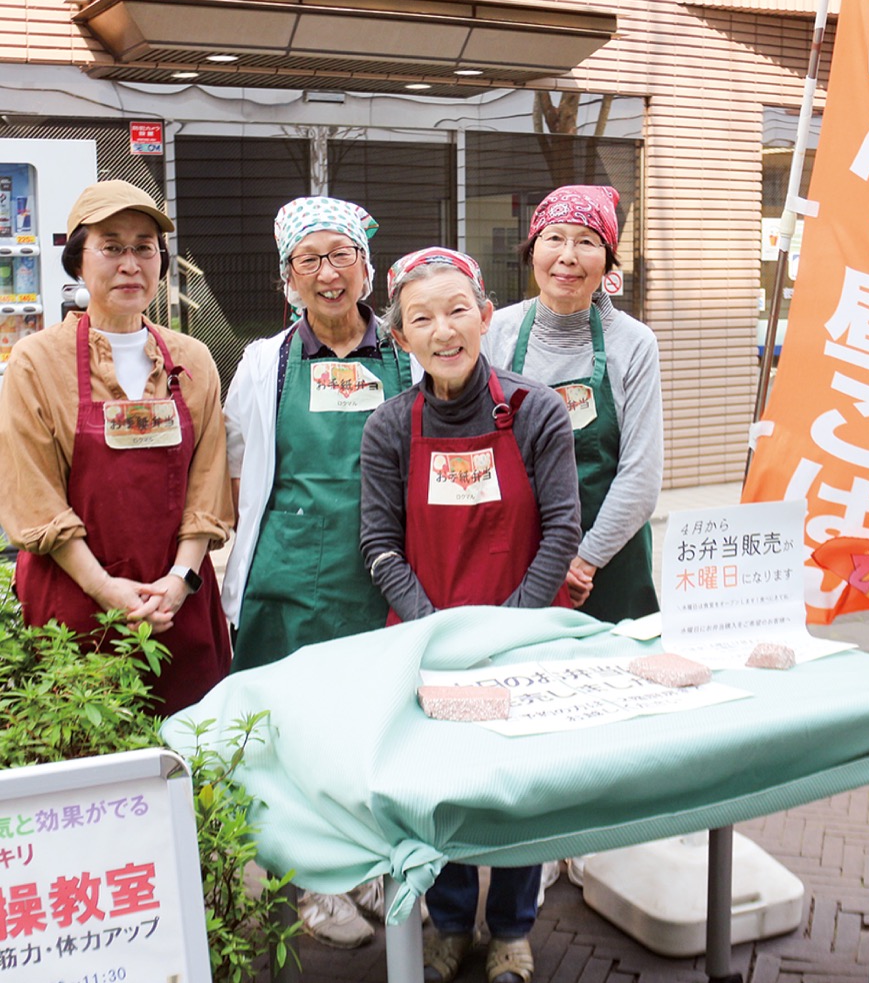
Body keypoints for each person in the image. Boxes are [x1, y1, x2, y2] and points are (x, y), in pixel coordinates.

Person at [360, 247, 580, 983]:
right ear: (401, 338)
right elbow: (379, 544)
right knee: (442, 791)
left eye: (457, 309)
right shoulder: (390, 428)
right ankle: (451, 921)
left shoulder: (537, 410)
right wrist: (439, 634)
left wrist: (505, 629)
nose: (443, 329)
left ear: (486, 317)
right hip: (426, 645)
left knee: (521, 790)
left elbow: (562, 531)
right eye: (421, 317)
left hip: (522, 640)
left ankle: (513, 929)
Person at [220, 195, 412, 948]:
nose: (328, 274)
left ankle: (368, 865)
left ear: (368, 268)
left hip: (382, 570)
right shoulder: (265, 362)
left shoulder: (403, 355)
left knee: (370, 728)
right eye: (310, 260)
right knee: (293, 734)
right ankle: (313, 884)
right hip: (290, 571)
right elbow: (238, 463)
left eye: (342, 256)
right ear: (288, 280)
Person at [0, 180, 232, 716]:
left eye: (144, 247)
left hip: (178, 604)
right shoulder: (38, 361)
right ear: (78, 260)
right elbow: (32, 493)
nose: (130, 263)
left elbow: (208, 486)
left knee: (194, 768)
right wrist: (106, 590)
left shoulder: (191, 359)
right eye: (112, 246)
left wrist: (178, 580)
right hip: (75, 603)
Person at [485, 184, 662, 622]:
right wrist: (547, 566)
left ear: (607, 260)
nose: (568, 256)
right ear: (532, 251)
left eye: (586, 241)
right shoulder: (496, 332)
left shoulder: (634, 343)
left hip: (608, 563)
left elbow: (640, 474)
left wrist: (583, 561)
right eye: (554, 238)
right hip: (516, 558)